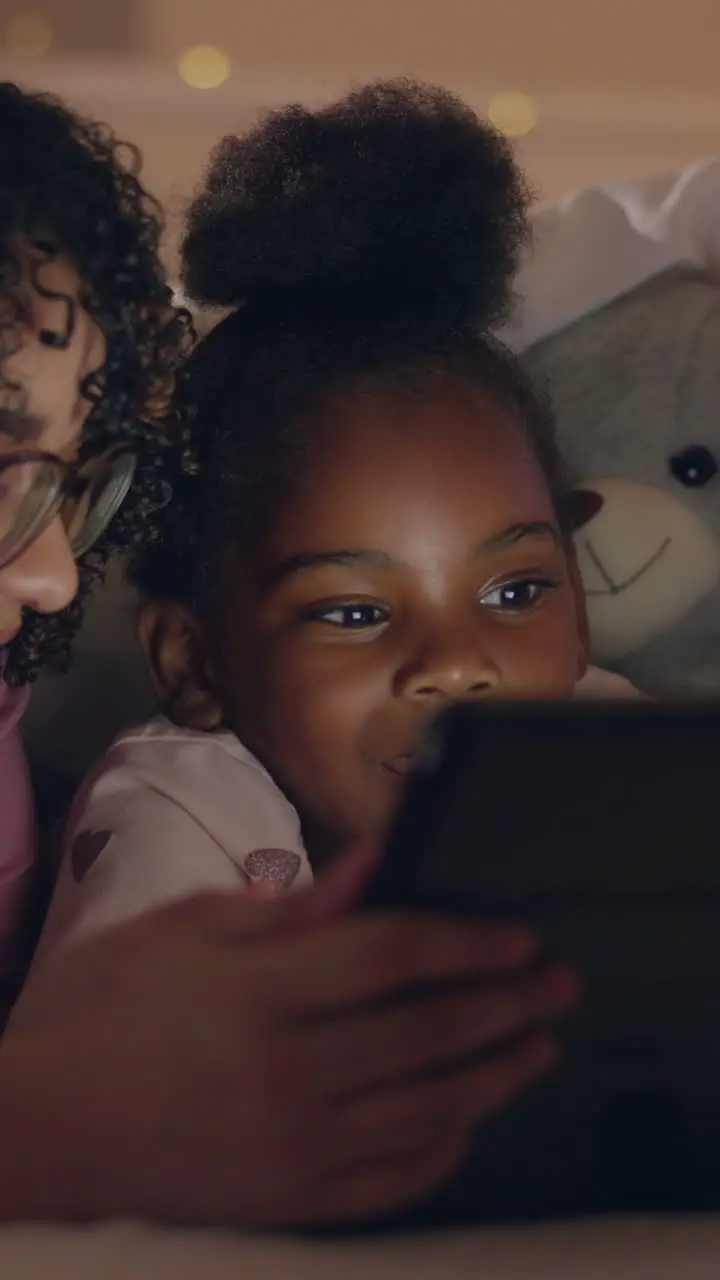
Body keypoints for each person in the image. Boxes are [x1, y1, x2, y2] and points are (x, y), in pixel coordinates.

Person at [0, 78, 579, 1229]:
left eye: (68, 481)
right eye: (354, 610)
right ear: (194, 657)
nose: (62, 578)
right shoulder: (178, 803)